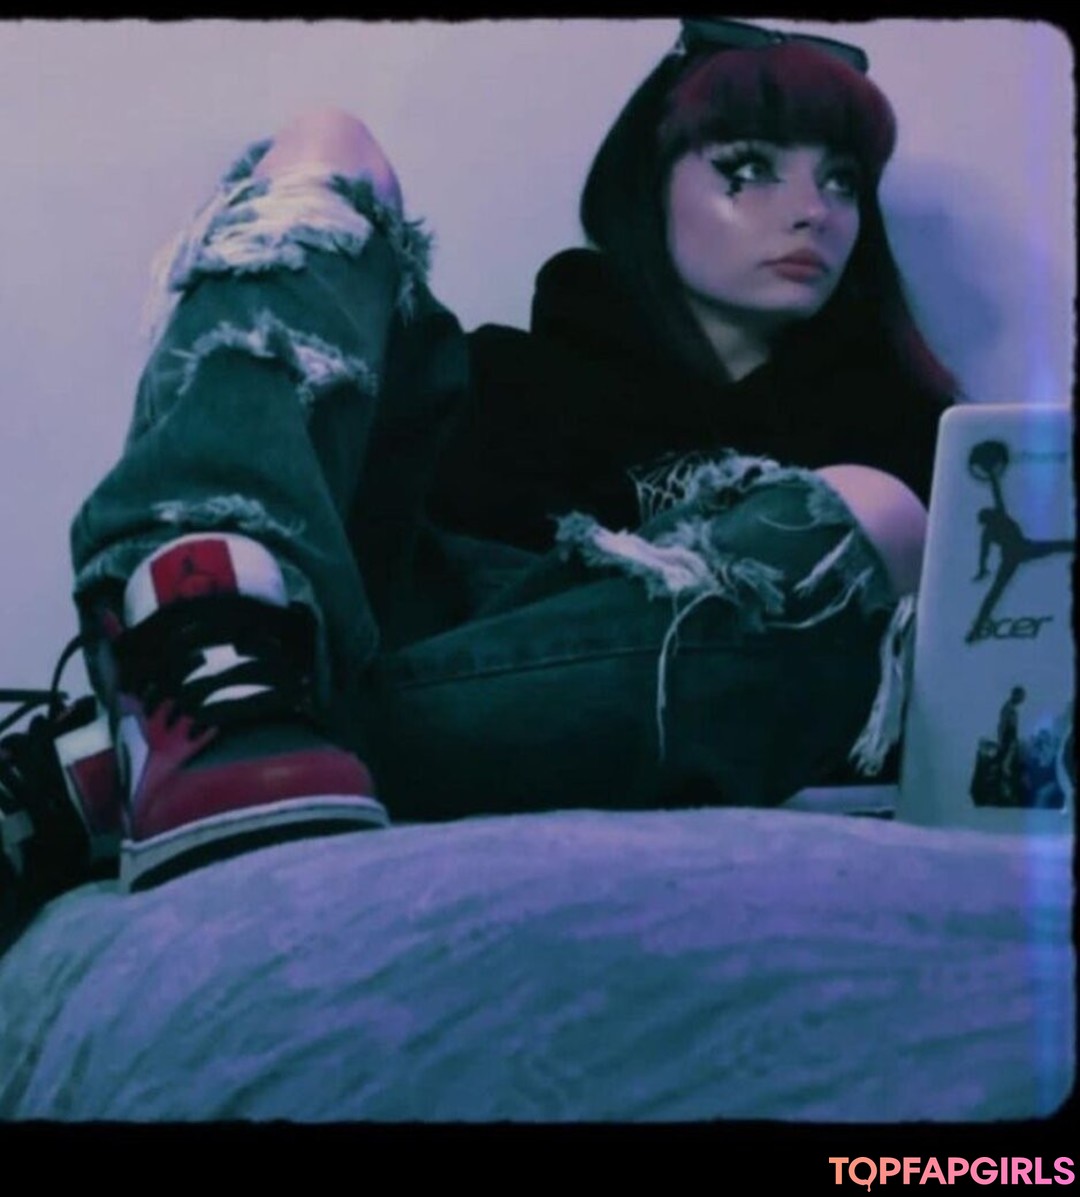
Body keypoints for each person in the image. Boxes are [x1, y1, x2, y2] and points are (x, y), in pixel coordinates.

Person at [1, 19, 955, 909]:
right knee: (331, 149)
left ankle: (183, 742)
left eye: (842, 182)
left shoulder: (924, 439)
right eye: (748, 170)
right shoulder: (504, 380)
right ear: (647, 188)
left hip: (520, 707)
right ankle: (202, 628)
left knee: (876, 515)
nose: (812, 212)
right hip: (388, 620)